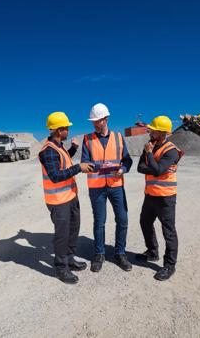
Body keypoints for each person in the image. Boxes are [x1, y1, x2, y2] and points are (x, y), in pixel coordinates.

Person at [39, 112, 94, 284]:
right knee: (62, 235)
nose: (68, 130)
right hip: (58, 201)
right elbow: (55, 175)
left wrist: (74, 149)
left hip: (70, 197)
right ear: (58, 130)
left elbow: (63, 161)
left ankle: (70, 259)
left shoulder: (59, 147)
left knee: (73, 230)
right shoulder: (48, 151)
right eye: (66, 128)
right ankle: (61, 268)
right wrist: (79, 167)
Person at [81, 103, 133, 272]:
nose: (95, 123)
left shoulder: (118, 137)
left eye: (98, 120)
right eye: (94, 121)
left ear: (106, 119)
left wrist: (122, 169)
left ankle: (120, 253)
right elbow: (85, 163)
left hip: (116, 185)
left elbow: (128, 161)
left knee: (123, 220)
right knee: (99, 222)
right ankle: (99, 254)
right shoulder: (87, 139)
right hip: (96, 187)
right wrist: (102, 165)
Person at [136, 115, 183, 281]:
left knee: (168, 231)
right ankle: (152, 252)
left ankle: (169, 265)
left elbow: (157, 170)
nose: (150, 131)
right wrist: (151, 161)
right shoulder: (151, 146)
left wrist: (149, 156)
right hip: (150, 195)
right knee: (145, 222)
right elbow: (140, 168)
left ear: (162, 133)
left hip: (165, 198)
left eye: (153, 130)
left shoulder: (171, 151)